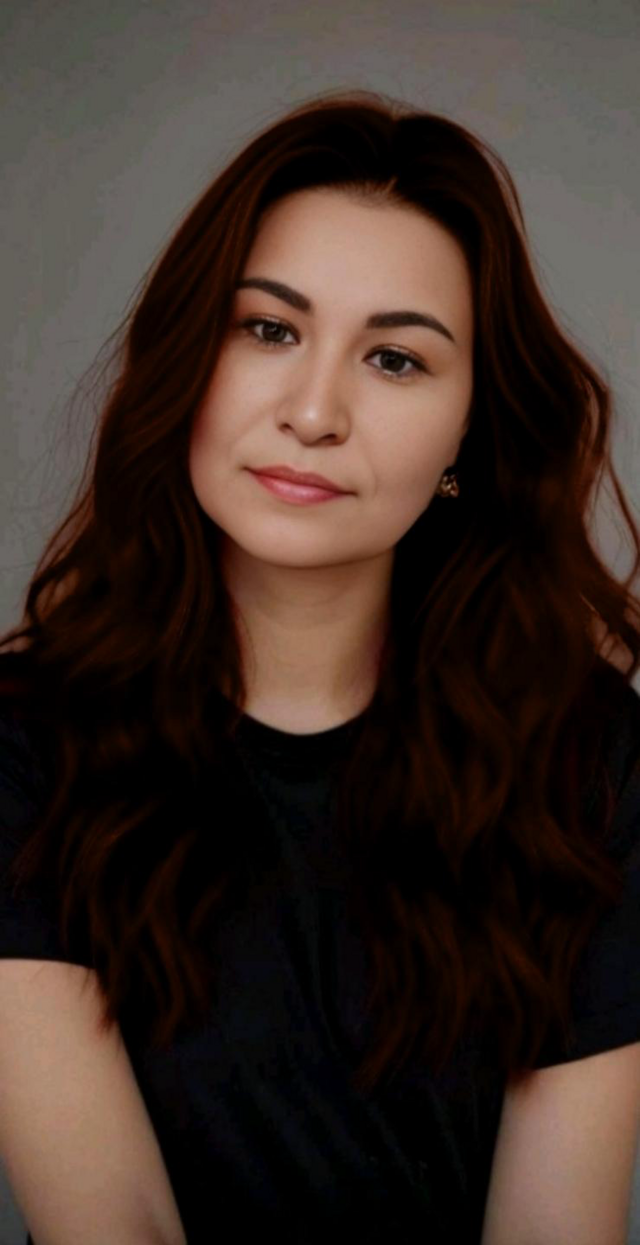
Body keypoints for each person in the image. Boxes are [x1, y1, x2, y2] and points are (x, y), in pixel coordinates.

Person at [0, 87, 639, 1245]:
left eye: (394, 359)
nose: (313, 412)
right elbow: (112, 1226)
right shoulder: (21, 749)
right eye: (268, 330)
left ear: (467, 431)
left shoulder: (591, 764)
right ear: (187, 355)